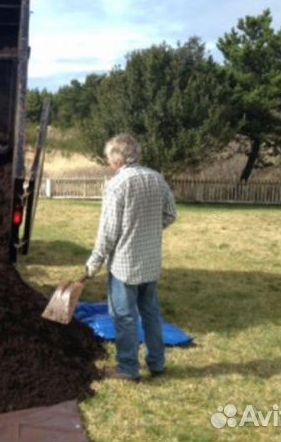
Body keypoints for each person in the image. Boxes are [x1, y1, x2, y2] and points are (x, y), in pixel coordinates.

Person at [85, 133, 177, 382]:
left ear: (117, 158)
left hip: (125, 266)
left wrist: (94, 262)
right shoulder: (157, 178)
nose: (108, 162)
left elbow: (109, 232)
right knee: (151, 314)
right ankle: (157, 364)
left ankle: (128, 369)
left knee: (124, 318)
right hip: (151, 262)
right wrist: (148, 230)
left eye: (108, 157)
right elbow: (170, 214)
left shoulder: (117, 184)